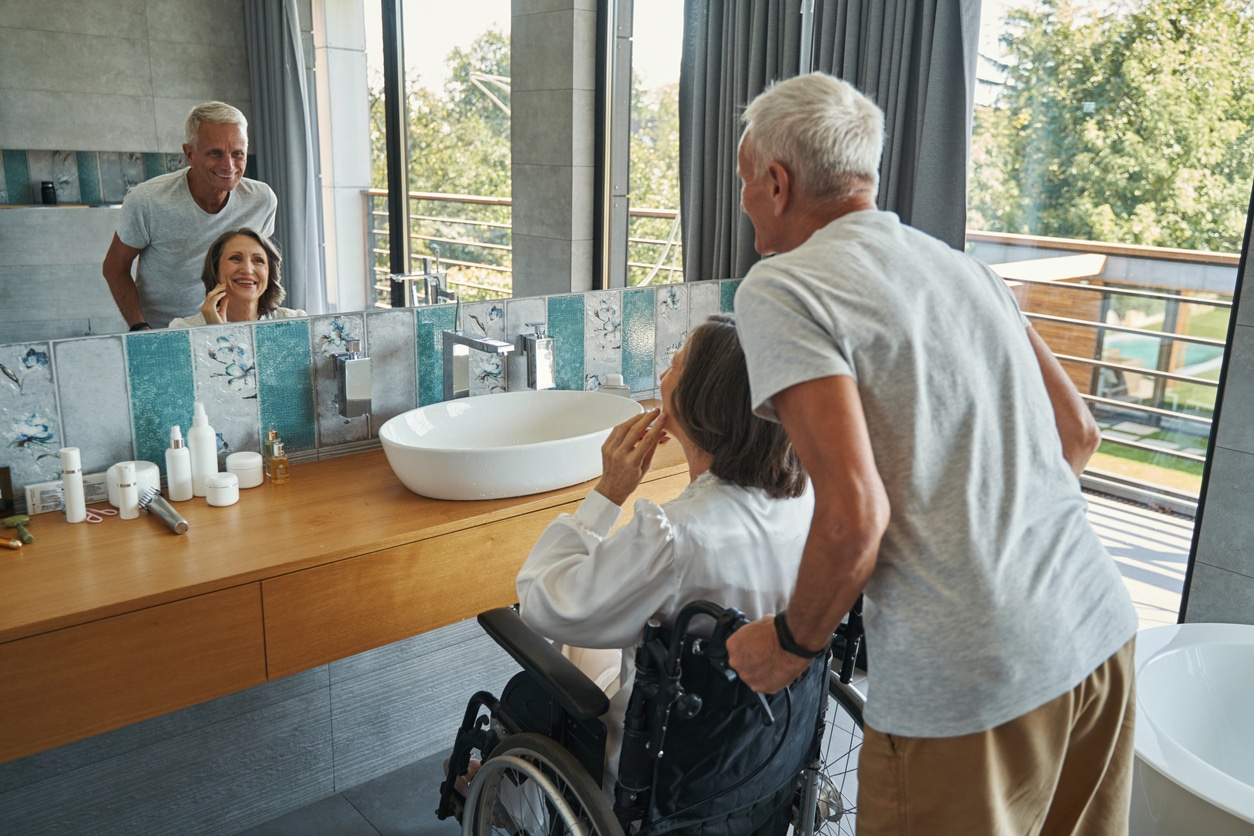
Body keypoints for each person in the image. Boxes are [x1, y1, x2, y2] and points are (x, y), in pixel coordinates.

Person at [724, 73, 1139, 835]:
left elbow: (853, 518)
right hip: (1098, 629)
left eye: (747, 180)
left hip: (973, 683)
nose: (745, 199)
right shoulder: (962, 267)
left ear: (778, 183)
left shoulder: (781, 288)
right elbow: (1076, 434)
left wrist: (788, 646)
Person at [515, 314, 814, 798]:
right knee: (599, 626)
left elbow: (542, 603)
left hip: (660, 763)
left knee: (568, 637)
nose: (661, 374)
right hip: (759, 752)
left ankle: (506, 785)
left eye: (675, 363)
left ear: (699, 401)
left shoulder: (673, 535)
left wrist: (608, 493)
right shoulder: (807, 500)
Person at [102, 101, 278, 330]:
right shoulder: (147, 200)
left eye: (238, 154)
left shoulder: (261, 200)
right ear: (189, 154)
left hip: (232, 329)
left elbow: (260, 270)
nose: (229, 165)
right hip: (163, 332)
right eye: (216, 153)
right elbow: (114, 268)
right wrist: (139, 328)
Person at [168, 228, 304, 327]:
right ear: (215, 270)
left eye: (258, 260)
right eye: (235, 258)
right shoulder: (183, 329)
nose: (247, 270)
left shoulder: (297, 322)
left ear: (270, 274)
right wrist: (214, 332)